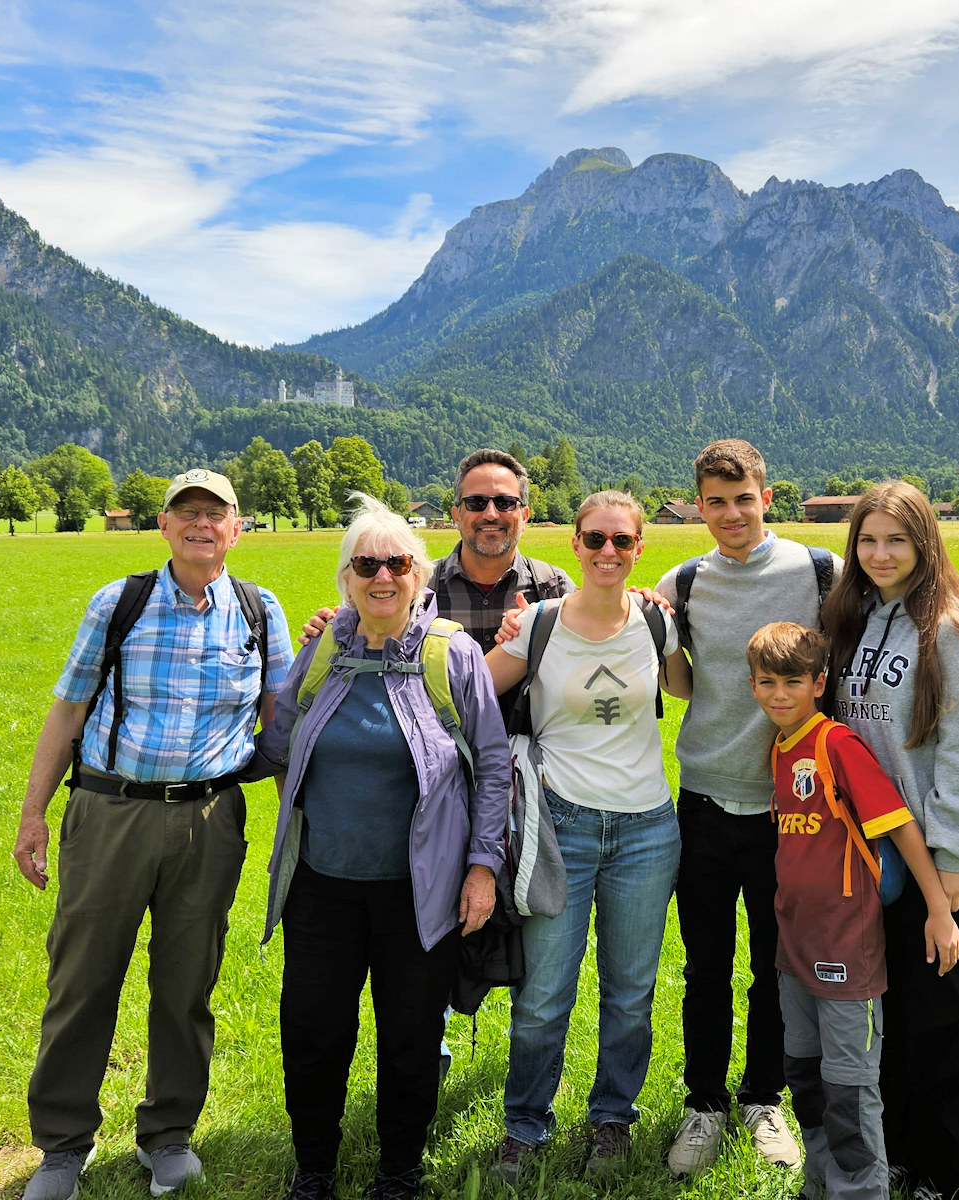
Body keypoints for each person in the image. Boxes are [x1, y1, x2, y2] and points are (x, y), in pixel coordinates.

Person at [652, 440, 959, 1179]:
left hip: (867, 836)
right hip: (775, 822)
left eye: (744, 497)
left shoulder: (859, 587)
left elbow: (950, 686)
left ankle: (926, 1163)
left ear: (768, 497)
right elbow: (689, 679)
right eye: (715, 501)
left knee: (880, 995)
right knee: (759, 980)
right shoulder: (712, 586)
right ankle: (747, 1117)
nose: (730, 514)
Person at [12, 469, 292, 1200]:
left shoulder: (262, 613)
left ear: (238, 528)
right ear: (164, 527)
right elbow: (68, 712)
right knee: (83, 979)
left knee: (186, 983)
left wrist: (297, 828)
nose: (201, 524)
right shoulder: (120, 603)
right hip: (110, 813)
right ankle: (63, 1148)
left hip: (210, 819)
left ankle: (168, 1135)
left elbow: (288, 725)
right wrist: (33, 813)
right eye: (186, 513)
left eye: (216, 514)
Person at [252, 495, 511, 1200]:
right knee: (312, 1031)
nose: (382, 576)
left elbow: (492, 767)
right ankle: (314, 1169)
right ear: (346, 577)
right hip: (321, 885)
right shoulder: (323, 650)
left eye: (397, 562)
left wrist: (482, 867)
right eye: (366, 564)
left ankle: (399, 1171)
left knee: (409, 1036)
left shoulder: (450, 655)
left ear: (418, 574)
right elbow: (275, 743)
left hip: (416, 888)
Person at [296, 447, 573, 1076]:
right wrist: (330, 624)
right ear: (456, 513)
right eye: (477, 502)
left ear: (525, 514)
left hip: (530, 783)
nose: (491, 513)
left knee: (524, 923)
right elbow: (369, 622)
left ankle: (524, 1081)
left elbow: (596, 636)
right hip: (432, 790)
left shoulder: (554, 588)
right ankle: (430, 1050)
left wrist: (645, 599)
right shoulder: (420, 580)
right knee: (434, 913)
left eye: (505, 502)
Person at [481, 491, 693, 1182]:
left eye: (622, 542)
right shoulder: (538, 625)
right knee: (544, 995)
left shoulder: (658, 626)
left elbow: (693, 688)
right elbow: (465, 690)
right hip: (560, 826)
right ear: (574, 545)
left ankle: (611, 1121)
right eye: (595, 540)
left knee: (630, 994)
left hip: (647, 831)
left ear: (639, 549)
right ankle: (524, 1126)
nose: (608, 552)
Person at [820, 481, 959, 1200]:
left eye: (896, 539)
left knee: (949, 1021)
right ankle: (903, 1152)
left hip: (942, 859)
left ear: (925, 543)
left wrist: (955, 856)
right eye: (868, 540)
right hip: (880, 857)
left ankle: (957, 1172)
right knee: (894, 1012)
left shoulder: (947, 627)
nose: (880, 553)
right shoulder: (857, 615)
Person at [748, 621, 959, 1200]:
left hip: (847, 945)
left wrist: (938, 909)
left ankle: (861, 1188)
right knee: (803, 1071)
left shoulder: (835, 744)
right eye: (766, 682)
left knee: (848, 1086)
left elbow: (899, 825)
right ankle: (823, 1178)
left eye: (792, 681)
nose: (778, 694)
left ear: (820, 683)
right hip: (794, 944)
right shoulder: (781, 746)